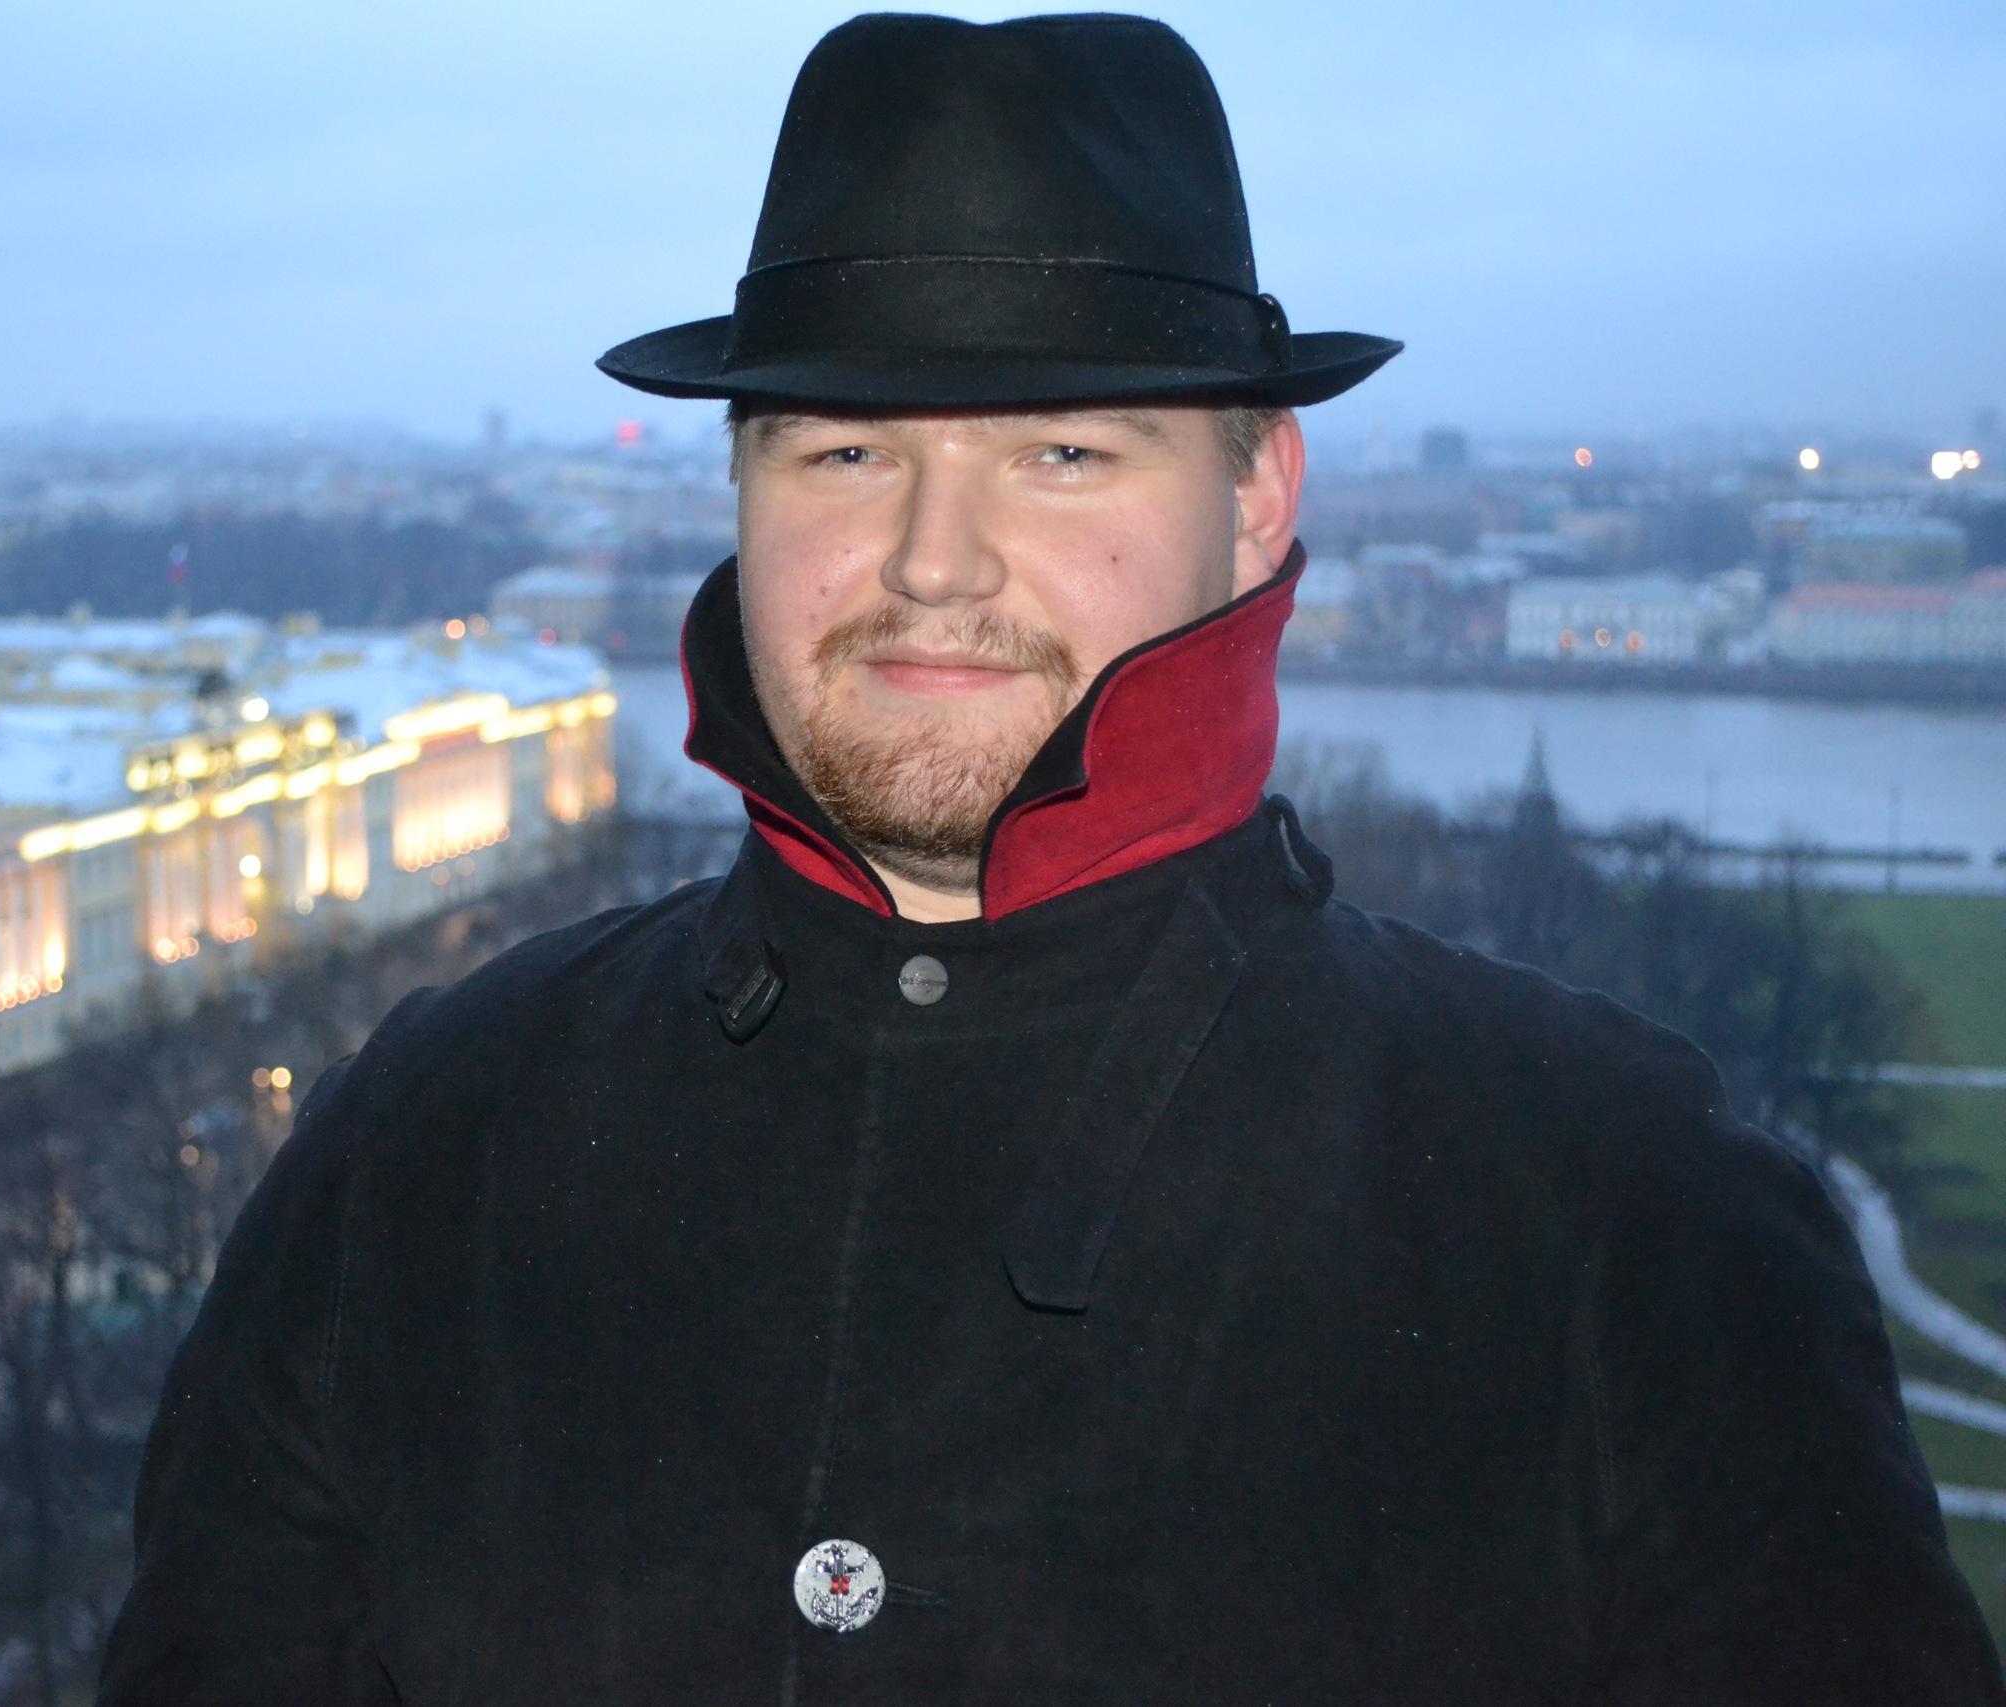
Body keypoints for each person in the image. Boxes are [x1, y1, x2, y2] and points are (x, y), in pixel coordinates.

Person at [100, 15, 2003, 1703]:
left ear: (1257, 497)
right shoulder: (416, 1158)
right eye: (843, 454)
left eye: (1064, 455)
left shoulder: (1640, 1233)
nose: (934, 561)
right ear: (739, 490)